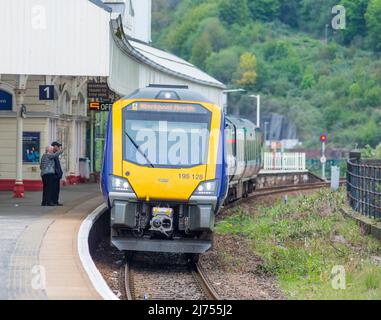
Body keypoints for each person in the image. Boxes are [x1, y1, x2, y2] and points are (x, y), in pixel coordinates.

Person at [51, 142, 64, 206]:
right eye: (58, 146)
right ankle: (53, 201)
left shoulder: (56, 155)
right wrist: (57, 172)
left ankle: (55, 201)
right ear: (54, 147)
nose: (59, 148)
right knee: (53, 189)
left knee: (56, 189)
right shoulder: (52, 155)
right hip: (54, 175)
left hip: (57, 175)